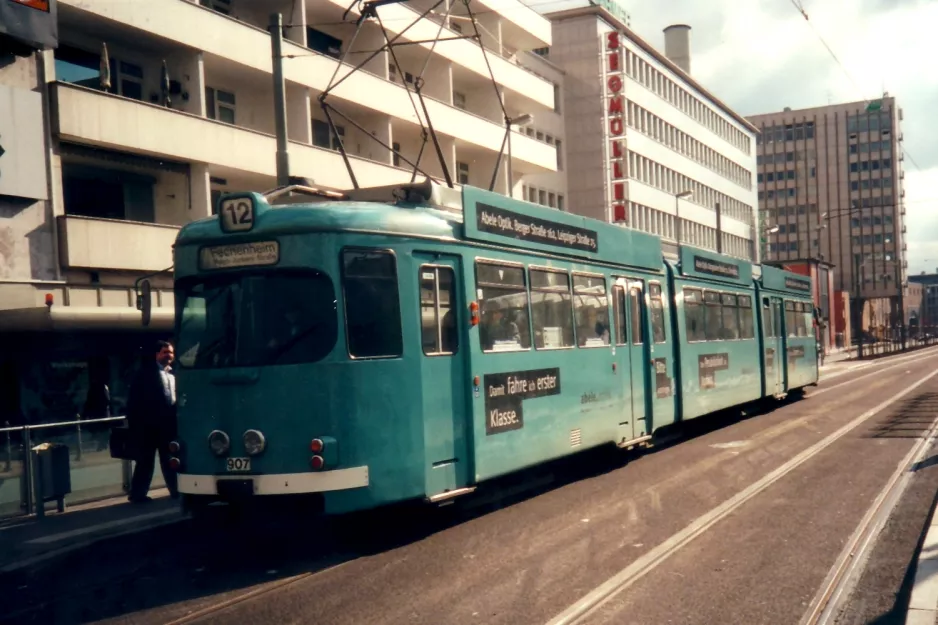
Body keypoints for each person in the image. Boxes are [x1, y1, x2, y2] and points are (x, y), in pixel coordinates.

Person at [127, 340, 179, 503]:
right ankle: (137, 495)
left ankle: (176, 491)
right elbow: (134, 401)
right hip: (148, 427)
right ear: (157, 354)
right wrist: (136, 425)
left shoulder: (175, 373)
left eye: (171, 352)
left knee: (170, 460)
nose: (169, 356)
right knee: (145, 462)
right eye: (165, 352)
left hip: (168, 426)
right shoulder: (144, 374)